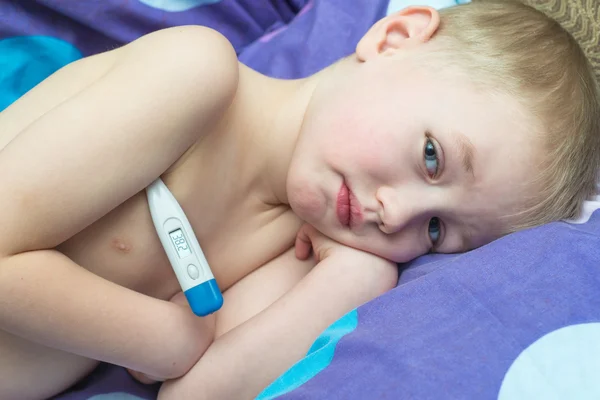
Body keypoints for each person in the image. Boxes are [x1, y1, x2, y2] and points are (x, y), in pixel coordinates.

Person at [0, 1, 598, 399]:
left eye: (438, 231)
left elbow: (196, 394)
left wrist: (349, 285)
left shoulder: (303, 250)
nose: (398, 215)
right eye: (432, 157)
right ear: (394, 37)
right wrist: (164, 338)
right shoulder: (194, 73)